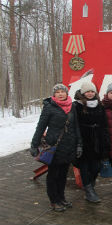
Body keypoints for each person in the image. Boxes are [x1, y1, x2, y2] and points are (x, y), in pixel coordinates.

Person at [30, 84, 82, 212]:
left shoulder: (72, 107)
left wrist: (79, 144)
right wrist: (34, 144)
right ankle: (54, 201)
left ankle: (61, 197)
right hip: (54, 147)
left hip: (69, 146)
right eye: (57, 92)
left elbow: (76, 127)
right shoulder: (49, 107)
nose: (60, 94)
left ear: (66, 93)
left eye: (62, 92)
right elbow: (40, 127)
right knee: (53, 175)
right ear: (54, 94)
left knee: (63, 174)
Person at [74, 81, 110, 203]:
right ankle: (89, 191)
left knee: (96, 167)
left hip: (97, 140)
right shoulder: (77, 106)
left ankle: (90, 186)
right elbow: (74, 125)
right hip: (83, 140)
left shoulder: (100, 105)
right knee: (84, 166)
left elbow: (105, 124)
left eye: (92, 91)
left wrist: (105, 140)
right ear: (83, 93)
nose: (90, 93)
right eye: (87, 91)